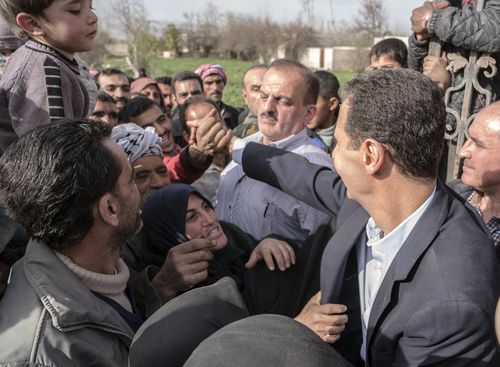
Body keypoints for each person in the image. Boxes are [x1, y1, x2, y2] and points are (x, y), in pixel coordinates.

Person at [190, 69, 500, 366]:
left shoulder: (449, 303)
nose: (331, 155)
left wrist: (296, 337)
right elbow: (305, 177)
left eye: (337, 143)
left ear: (370, 156)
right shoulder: (377, 199)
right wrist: (234, 147)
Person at [0, 120, 177, 365]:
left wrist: (158, 291)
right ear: (110, 209)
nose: (141, 189)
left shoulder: (105, 259)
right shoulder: (45, 352)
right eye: (132, 179)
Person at [215, 59, 332, 244]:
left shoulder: (314, 168)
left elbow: (320, 252)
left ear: (308, 113)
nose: (268, 108)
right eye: (263, 96)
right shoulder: (242, 146)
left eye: (283, 101)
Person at [0, 0, 97, 155]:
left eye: (91, 7)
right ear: (33, 24)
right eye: (75, 10)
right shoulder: (45, 74)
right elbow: (53, 155)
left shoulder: (46, 61)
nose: (93, 17)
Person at [408, 0, 500, 110]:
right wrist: (420, 39)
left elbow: (495, 30)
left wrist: (433, 19)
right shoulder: (447, 3)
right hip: (442, 114)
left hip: (482, 116)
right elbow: (414, 74)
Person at [122, 96, 219, 184]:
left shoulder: (178, 150)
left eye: (161, 120)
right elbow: (172, 170)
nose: (161, 130)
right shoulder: (139, 166)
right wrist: (195, 153)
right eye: (148, 128)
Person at [195, 63, 240, 130]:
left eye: (218, 82)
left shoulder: (235, 114)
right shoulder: (194, 115)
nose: (215, 88)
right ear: (200, 87)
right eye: (209, 83)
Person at [307, 70, 341, 153]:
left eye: (313, 103)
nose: (306, 110)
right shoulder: (297, 136)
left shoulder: (348, 136)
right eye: (304, 102)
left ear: (332, 104)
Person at [233, 64, 268, 138]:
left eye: (268, 88)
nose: (264, 94)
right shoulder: (241, 135)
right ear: (245, 97)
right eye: (256, 90)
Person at [170, 71, 204, 146]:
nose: (190, 98)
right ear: (174, 99)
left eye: (196, 93)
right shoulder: (169, 132)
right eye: (184, 95)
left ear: (203, 94)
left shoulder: (217, 120)